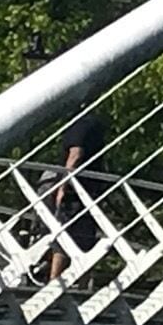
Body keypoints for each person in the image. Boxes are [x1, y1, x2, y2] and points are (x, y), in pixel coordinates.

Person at [45, 107, 109, 284]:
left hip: (75, 192)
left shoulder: (79, 126)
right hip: (91, 190)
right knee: (85, 238)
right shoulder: (95, 125)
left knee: (63, 235)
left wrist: (62, 187)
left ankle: (54, 281)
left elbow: (75, 154)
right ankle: (82, 284)